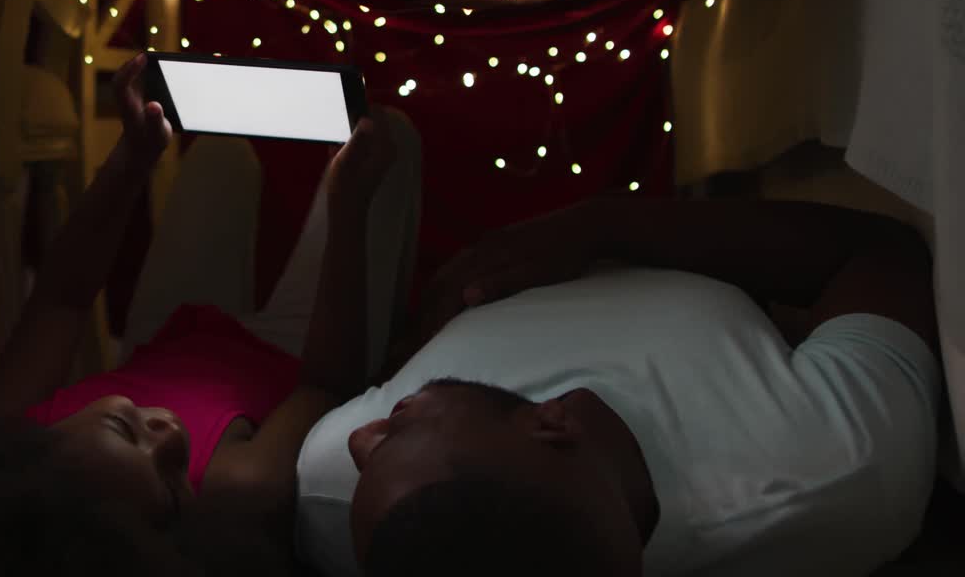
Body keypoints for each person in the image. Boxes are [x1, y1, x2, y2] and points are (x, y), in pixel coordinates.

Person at [0, 53, 422, 576]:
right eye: (174, 484)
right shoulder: (239, 486)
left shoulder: (10, 427)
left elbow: (63, 298)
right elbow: (322, 384)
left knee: (220, 154)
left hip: (174, 332)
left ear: (33, 450)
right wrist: (349, 208)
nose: (171, 438)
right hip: (297, 348)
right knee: (391, 135)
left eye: (131, 433)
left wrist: (133, 158)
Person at [295, 197, 941, 577]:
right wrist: (604, 226)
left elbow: (357, 382)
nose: (364, 432)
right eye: (398, 428)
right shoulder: (839, 465)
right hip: (687, 226)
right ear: (553, 424)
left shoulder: (337, 502)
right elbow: (881, 253)